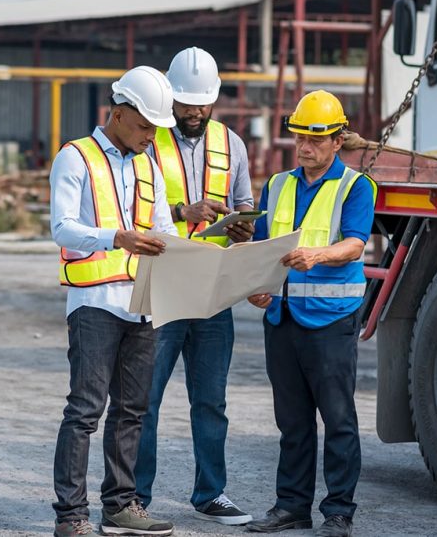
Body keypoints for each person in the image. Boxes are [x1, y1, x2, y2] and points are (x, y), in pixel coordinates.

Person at [49, 65, 180, 537]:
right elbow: (61, 227)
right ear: (119, 113)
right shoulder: (75, 158)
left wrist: (204, 244)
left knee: (132, 410)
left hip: (141, 305)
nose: (151, 136)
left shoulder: (149, 164)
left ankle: (121, 504)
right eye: (145, 126)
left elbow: (164, 231)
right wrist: (116, 237)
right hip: (94, 303)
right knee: (85, 411)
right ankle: (71, 516)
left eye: (155, 128)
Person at [244, 90, 376, 537]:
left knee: (338, 419)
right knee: (292, 422)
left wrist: (318, 255)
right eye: (300, 137)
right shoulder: (278, 185)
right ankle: (291, 507)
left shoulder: (355, 186)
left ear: (338, 141)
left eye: (316, 139)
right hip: (282, 319)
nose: (305, 147)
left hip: (330, 320)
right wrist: (258, 289)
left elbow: (356, 243)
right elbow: (265, 249)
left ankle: (339, 512)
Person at [134, 47, 255, 526]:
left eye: (203, 103)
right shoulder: (148, 142)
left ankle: (211, 494)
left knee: (211, 401)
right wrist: (185, 214)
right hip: (163, 286)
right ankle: (134, 498)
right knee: (144, 401)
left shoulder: (233, 145)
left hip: (212, 290)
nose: (195, 112)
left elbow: (244, 205)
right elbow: (129, 216)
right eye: (186, 104)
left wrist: (243, 228)